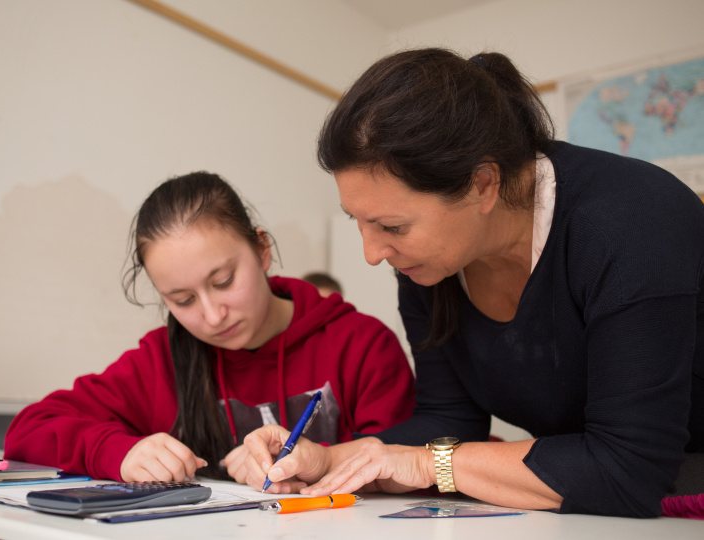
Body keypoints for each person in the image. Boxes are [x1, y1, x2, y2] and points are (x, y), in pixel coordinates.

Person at [234, 48, 704, 518]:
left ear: (483, 184)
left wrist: (429, 464)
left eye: (392, 227)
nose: (372, 254)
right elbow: (449, 420)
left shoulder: (629, 222)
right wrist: (331, 458)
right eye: (357, 221)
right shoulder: (428, 267)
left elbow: (629, 468)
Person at [4, 171, 415, 483]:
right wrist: (116, 452)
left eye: (223, 282)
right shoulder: (162, 359)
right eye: (182, 300)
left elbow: (406, 467)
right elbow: (29, 430)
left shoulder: (362, 345)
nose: (213, 315)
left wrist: (313, 464)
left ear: (261, 249)